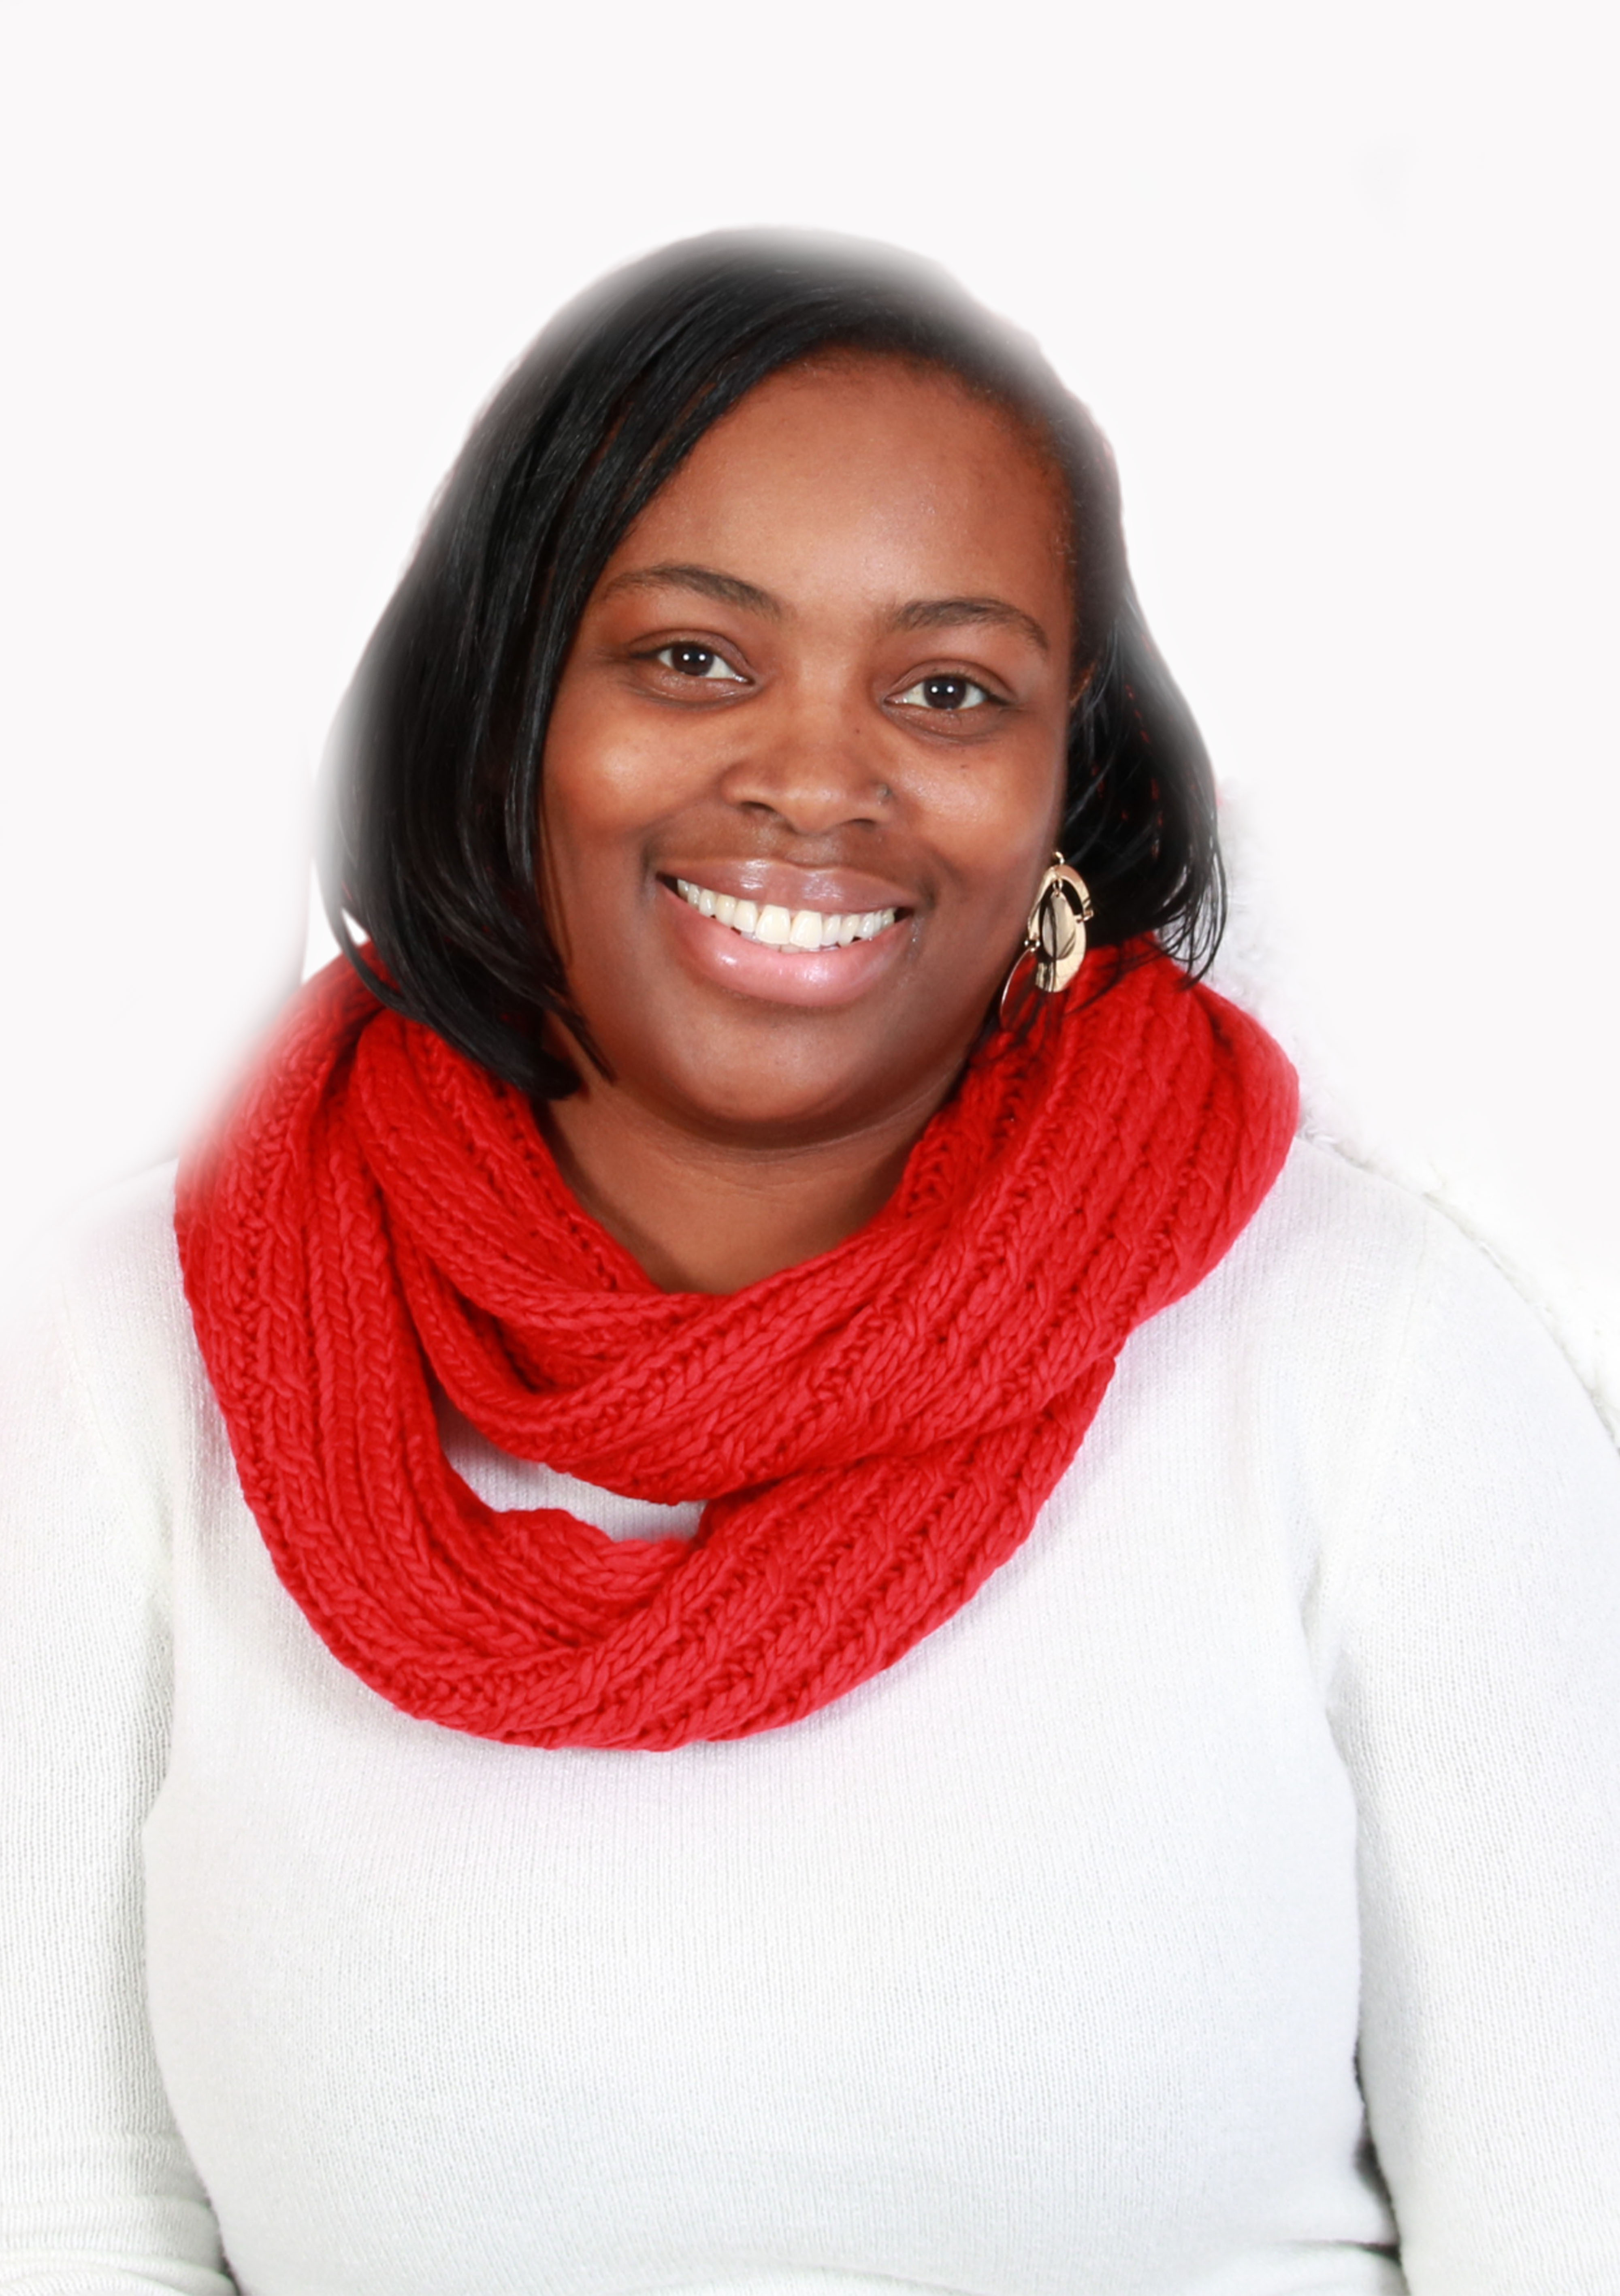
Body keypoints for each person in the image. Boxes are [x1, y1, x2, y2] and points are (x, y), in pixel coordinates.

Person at [2, 231, 1616, 2296]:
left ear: (1065, 780)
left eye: (947, 690)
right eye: (693, 656)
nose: (814, 784)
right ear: (505, 708)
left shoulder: (1367, 1359)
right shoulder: (128, 1348)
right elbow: (54, 2210)